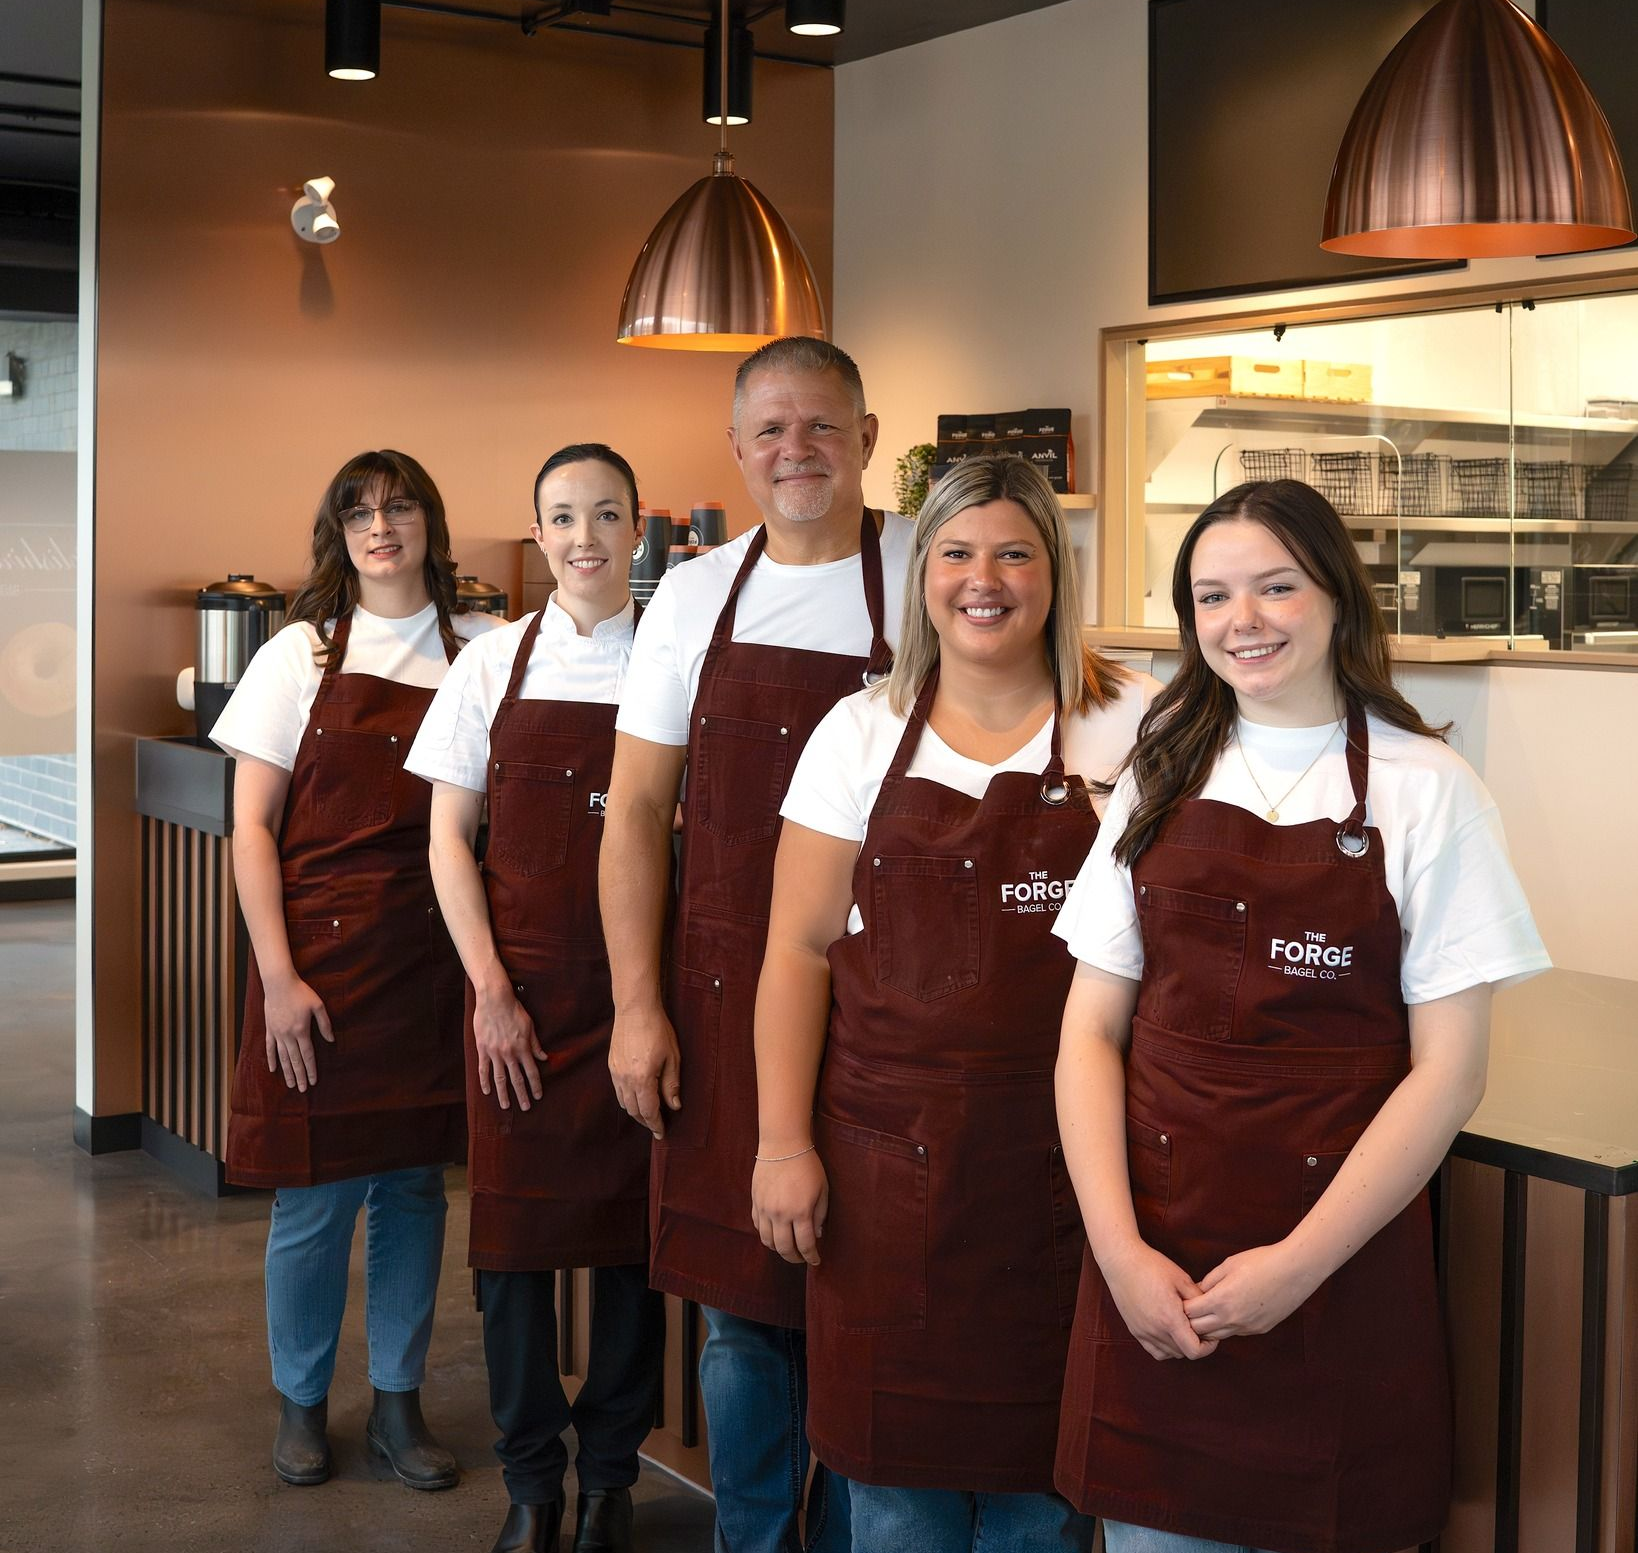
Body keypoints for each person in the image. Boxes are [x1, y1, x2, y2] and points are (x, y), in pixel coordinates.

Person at [1051, 478, 1552, 1553]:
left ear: (1335, 594)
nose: (1245, 619)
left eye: (1276, 585)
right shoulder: (1158, 774)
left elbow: (1448, 1074)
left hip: (1337, 1275)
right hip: (1159, 1275)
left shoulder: (1430, 790)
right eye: (1214, 594)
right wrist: (1119, 1251)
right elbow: (1089, 1032)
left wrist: (1299, 1263)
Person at [751, 455, 1159, 1552]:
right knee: (893, 1504)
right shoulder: (860, 731)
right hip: (890, 1182)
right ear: (923, 571)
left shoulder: (1139, 729)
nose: (986, 577)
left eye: (1016, 551)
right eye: (959, 552)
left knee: (1046, 1501)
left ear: (1054, 573)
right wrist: (782, 1140)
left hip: (1067, 1177)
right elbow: (796, 949)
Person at [601, 337, 914, 1553]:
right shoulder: (690, 593)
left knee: (861, 1298)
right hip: (728, 997)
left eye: (822, 428)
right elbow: (633, 812)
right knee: (740, 1311)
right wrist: (639, 1003)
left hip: (891, 1002)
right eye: (771, 431)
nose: (797, 452)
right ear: (737, 449)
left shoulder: (930, 572)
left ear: (868, 437)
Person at [213, 449, 498, 1491]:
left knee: (416, 1189)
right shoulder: (300, 656)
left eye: (402, 505)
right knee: (315, 1197)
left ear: (430, 520)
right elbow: (251, 826)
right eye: (360, 511)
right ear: (337, 533)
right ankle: (301, 1403)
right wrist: (276, 975)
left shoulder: (481, 647)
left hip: (429, 957)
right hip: (319, 963)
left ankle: (397, 1402)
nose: (382, 525)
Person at [407, 444, 665, 1553]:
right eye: (564, 516)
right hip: (519, 1005)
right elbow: (447, 842)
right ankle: (531, 1483)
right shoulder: (490, 664)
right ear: (537, 530)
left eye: (607, 514)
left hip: (640, 1004)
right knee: (509, 1255)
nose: (586, 537)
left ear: (639, 526)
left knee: (631, 1255)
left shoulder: (674, 660)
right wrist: (491, 994)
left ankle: (610, 1480)